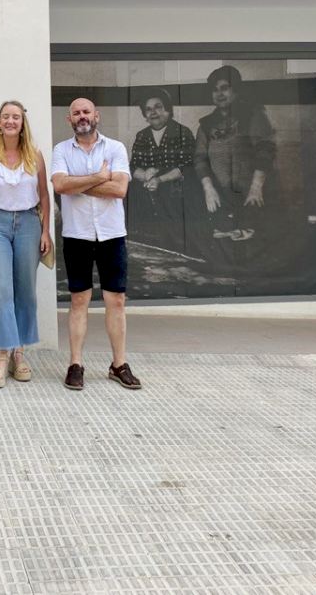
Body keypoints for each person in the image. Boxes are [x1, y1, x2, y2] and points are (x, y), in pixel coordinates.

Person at [51, 97, 142, 391]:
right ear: (69, 119)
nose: (82, 116)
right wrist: (100, 177)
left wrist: (80, 183)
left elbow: (119, 189)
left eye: (86, 112)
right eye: (76, 113)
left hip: (111, 234)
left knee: (116, 300)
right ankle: (75, 364)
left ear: (96, 116)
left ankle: (119, 364)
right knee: (79, 300)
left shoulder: (115, 148)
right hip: (76, 235)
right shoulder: (61, 150)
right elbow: (60, 185)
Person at [0, 101, 51, 388]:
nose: (10, 121)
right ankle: (2, 354)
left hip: (29, 223)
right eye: (5, 116)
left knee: (26, 291)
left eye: (15, 117)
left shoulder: (35, 155)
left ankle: (19, 351)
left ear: (22, 123)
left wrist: (46, 232)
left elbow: (45, 196)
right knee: (1, 291)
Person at [194, 66, 276, 246]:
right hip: (218, 194)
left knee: (254, 240)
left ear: (236, 90)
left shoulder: (254, 115)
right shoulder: (206, 125)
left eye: (224, 88)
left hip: (252, 192)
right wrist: (208, 189)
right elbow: (200, 159)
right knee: (215, 239)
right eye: (215, 90)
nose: (219, 94)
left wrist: (256, 186)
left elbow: (265, 150)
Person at [129, 88, 195, 253]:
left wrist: (159, 179)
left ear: (168, 109)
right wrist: (144, 175)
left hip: (175, 190)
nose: (153, 112)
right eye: (148, 109)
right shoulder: (142, 136)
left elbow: (187, 166)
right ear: (144, 115)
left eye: (158, 107)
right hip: (147, 189)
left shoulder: (182, 132)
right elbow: (133, 166)